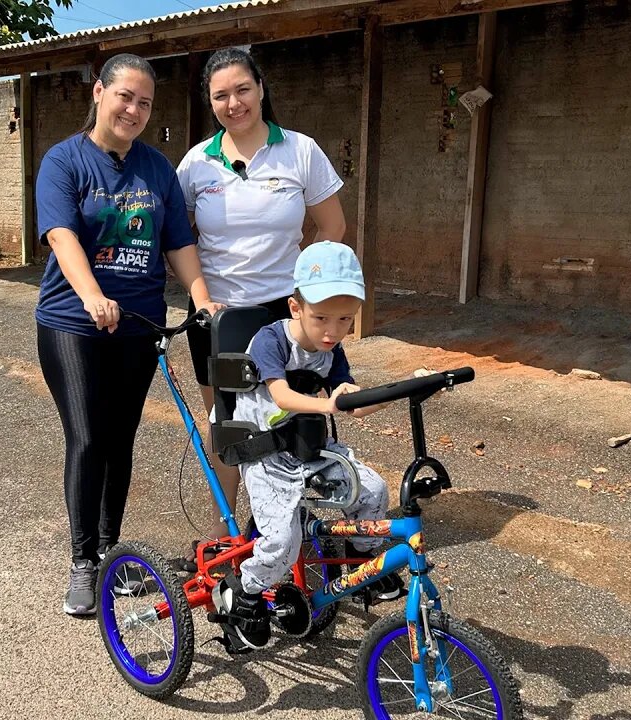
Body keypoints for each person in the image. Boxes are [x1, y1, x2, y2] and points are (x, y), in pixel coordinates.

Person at [34, 53, 220, 617]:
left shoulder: (156, 169)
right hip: (72, 322)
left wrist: (202, 297)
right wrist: (91, 294)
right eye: (125, 97)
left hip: (137, 326)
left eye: (144, 102)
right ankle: (83, 560)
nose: (134, 110)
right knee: (88, 437)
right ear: (99, 93)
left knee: (120, 440)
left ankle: (112, 553)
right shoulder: (64, 161)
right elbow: (62, 235)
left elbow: (178, 244)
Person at [175, 47, 348, 541]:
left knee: (288, 417)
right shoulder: (196, 164)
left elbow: (332, 224)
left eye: (242, 90)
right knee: (229, 425)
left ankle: (279, 527)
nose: (234, 103)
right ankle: (223, 533)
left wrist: (305, 292)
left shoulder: (299, 150)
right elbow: (178, 237)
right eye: (221, 96)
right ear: (211, 103)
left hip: (284, 313)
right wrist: (202, 295)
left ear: (261, 89)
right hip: (218, 316)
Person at [214, 241, 412, 652]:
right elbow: (283, 396)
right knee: (282, 543)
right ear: (295, 308)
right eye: (321, 317)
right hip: (263, 453)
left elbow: (352, 404)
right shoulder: (272, 341)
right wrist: (328, 403)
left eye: (344, 320)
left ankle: (360, 563)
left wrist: (409, 390)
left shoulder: (331, 350)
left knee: (374, 491)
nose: (332, 331)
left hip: (308, 449)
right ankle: (242, 591)